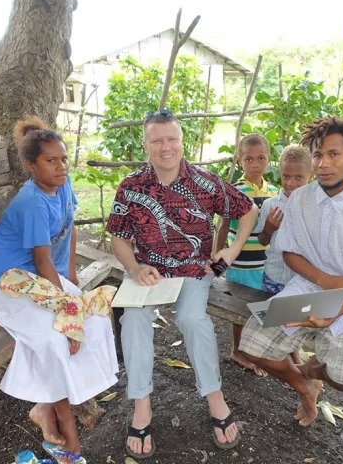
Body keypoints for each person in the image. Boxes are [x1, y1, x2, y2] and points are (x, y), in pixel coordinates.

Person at [105, 110, 258, 459]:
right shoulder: (131, 186)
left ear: (182, 140)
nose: (165, 147)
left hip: (193, 271)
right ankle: (142, 405)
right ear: (145, 144)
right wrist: (134, 267)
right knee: (134, 319)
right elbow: (118, 238)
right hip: (149, 274)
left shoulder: (205, 181)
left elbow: (248, 209)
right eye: (157, 140)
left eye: (171, 138)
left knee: (192, 319)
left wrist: (231, 251)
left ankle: (215, 399)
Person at [0, 117, 119, 464]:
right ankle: (69, 436)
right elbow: (41, 261)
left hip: (40, 281)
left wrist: (71, 282)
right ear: (31, 167)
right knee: (58, 338)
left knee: (99, 319)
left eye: (64, 159)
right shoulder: (31, 203)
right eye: (51, 161)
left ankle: (44, 406)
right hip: (7, 285)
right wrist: (67, 310)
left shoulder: (64, 185)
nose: (61, 167)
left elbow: (68, 231)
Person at [239, 115, 343, 427]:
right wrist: (325, 280)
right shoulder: (301, 199)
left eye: (333, 154)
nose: (323, 163)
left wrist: (330, 315)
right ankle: (303, 384)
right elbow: (290, 253)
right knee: (249, 346)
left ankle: (314, 372)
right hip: (306, 291)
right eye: (318, 154)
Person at [215, 133, 278, 376]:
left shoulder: (273, 191)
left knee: (262, 306)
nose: (255, 164)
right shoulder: (234, 191)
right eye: (249, 159)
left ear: (268, 160)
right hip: (241, 263)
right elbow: (222, 226)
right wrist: (216, 263)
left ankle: (258, 350)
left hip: (265, 263)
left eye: (261, 158)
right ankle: (238, 350)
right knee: (240, 309)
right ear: (240, 160)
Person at [256, 144, 313, 294]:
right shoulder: (270, 205)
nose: (291, 183)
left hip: (302, 280)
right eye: (286, 176)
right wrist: (268, 230)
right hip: (273, 276)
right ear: (280, 173)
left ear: (311, 175)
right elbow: (262, 241)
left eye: (299, 177)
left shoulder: (315, 208)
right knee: (268, 314)